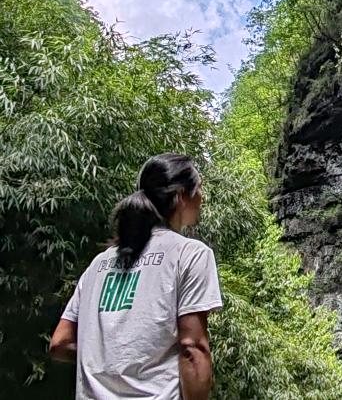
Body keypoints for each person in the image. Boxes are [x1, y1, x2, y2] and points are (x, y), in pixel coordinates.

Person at [49, 153, 222, 400]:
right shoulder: (189, 254)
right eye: (200, 189)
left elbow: (60, 343)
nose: (203, 198)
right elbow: (192, 348)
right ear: (182, 195)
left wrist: (109, 354)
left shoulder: (99, 264)